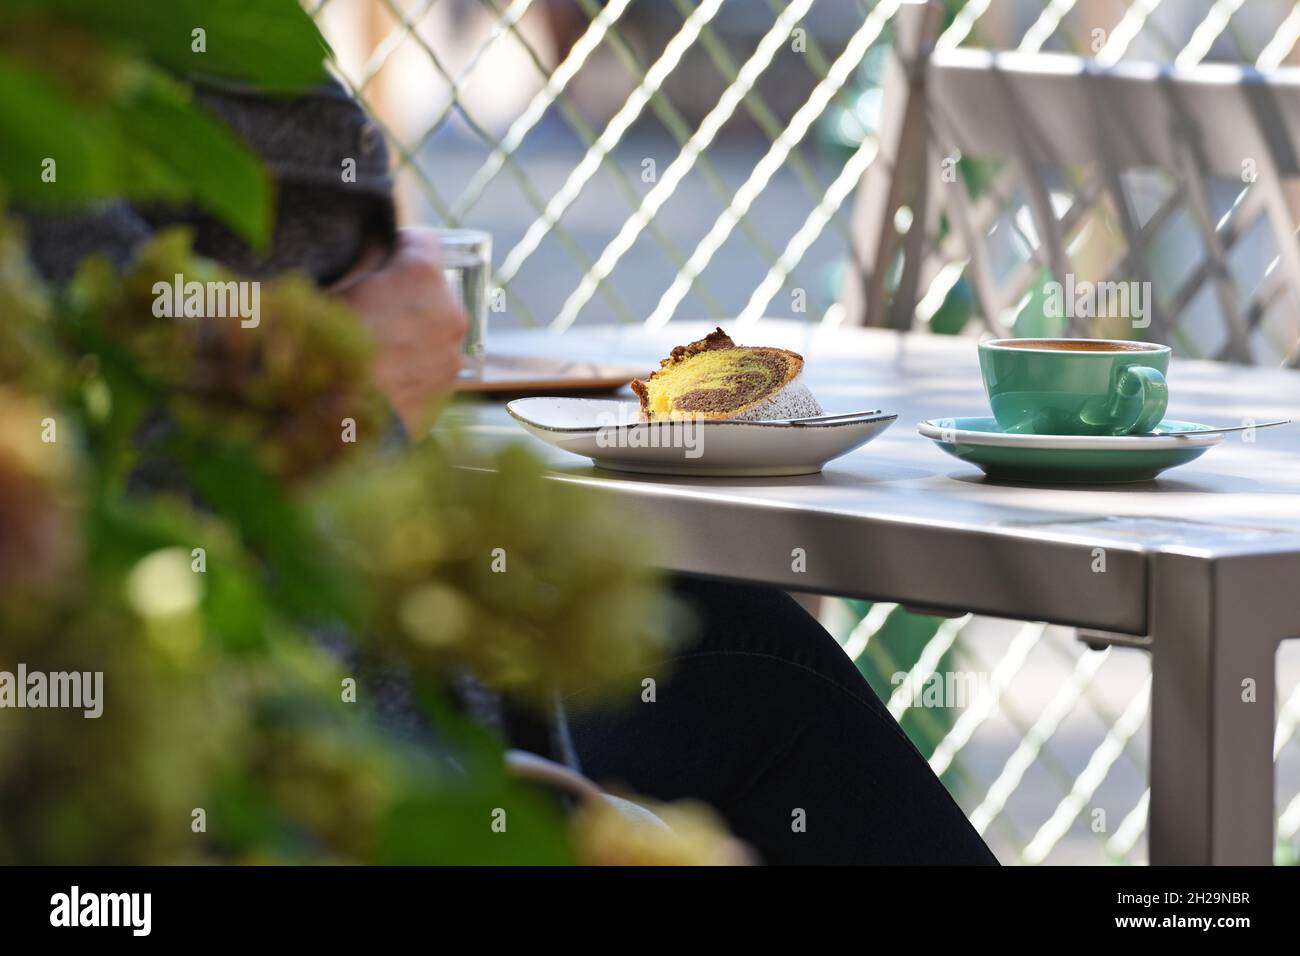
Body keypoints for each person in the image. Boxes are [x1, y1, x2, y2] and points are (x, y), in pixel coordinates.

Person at [22, 77, 995, 866]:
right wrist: (325, 396)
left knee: (740, 649)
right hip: (260, 706)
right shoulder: (58, 82)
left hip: (342, 632)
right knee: (747, 674)